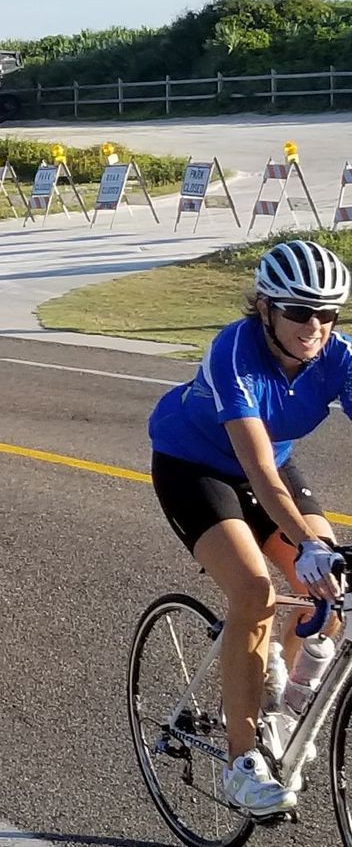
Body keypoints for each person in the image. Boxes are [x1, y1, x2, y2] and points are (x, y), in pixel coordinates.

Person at [147, 238, 352, 818]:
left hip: (274, 467)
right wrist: (307, 542)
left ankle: (282, 707)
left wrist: (318, 551)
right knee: (255, 592)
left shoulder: (338, 356)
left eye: (328, 313)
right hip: (195, 466)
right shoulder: (233, 352)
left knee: (333, 588)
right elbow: (257, 468)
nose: (315, 326)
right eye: (299, 311)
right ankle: (241, 765)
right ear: (265, 308)